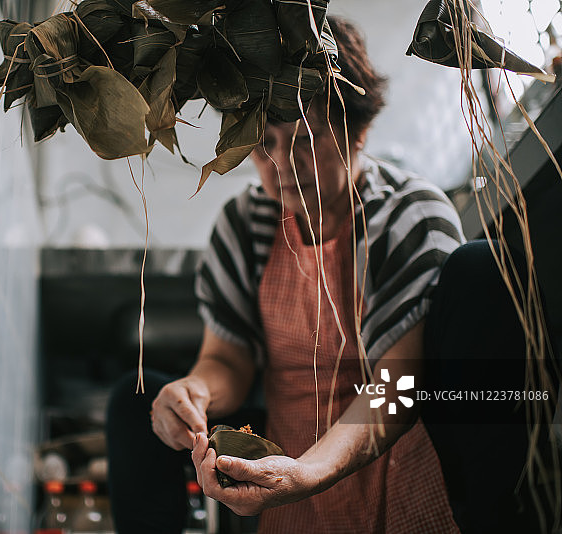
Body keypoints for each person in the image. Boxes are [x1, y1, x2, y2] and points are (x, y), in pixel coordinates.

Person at [107, 16, 555, 533]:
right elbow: (226, 358)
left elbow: (398, 386)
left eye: (304, 139)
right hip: (287, 469)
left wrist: (310, 471)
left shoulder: (408, 214)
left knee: (481, 267)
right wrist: (195, 393)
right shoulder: (244, 225)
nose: (282, 165)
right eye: (262, 146)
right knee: (133, 399)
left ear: (357, 131)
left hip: (391, 456)